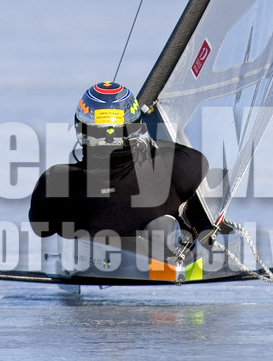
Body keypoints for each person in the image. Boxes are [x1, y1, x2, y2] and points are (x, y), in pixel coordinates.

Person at [27, 81, 212, 243]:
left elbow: (41, 229)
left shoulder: (55, 181)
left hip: (90, 266)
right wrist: (146, 145)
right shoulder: (176, 166)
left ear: (80, 129)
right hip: (162, 261)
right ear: (135, 127)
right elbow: (199, 161)